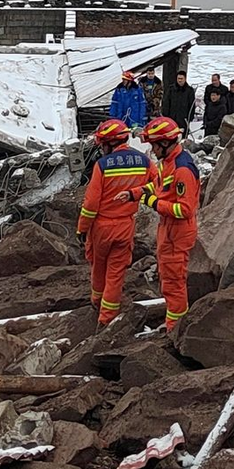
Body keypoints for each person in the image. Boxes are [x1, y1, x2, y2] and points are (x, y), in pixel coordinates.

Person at [77, 119, 153, 326]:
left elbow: (91, 204)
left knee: (98, 266)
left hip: (102, 226)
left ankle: (96, 302)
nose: (101, 148)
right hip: (126, 225)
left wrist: (82, 229)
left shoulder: (102, 165)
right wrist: (138, 194)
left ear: (109, 143)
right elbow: (157, 183)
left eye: (102, 144)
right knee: (116, 272)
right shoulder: (144, 161)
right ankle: (107, 319)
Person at [138, 117, 201, 332]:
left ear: (165, 143)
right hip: (169, 230)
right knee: (168, 279)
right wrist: (135, 194)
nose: (152, 150)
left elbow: (184, 209)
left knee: (174, 283)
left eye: (154, 145)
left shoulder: (182, 169)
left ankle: (176, 329)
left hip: (178, 232)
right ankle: (174, 324)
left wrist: (155, 204)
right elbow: (158, 186)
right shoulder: (169, 163)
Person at [161, 71, 196, 137]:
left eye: (181, 79)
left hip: (184, 118)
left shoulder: (189, 91)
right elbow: (166, 102)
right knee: (171, 136)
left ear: (185, 79)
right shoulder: (171, 89)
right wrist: (165, 115)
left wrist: (190, 117)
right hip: (172, 117)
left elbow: (192, 105)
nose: (179, 80)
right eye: (178, 78)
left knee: (183, 137)